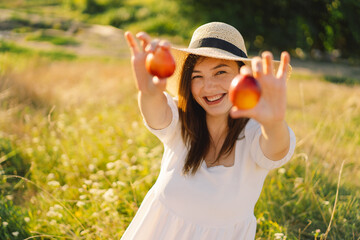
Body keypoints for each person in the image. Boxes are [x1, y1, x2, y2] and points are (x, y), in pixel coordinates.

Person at [121, 22, 296, 240]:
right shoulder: (181, 119)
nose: (208, 86)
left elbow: (276, 148)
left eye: (220, 72)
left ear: (243, 75)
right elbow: (156, 113)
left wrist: (274, 122)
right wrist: (148, 93)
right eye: (197, 76)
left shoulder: (256, 132)